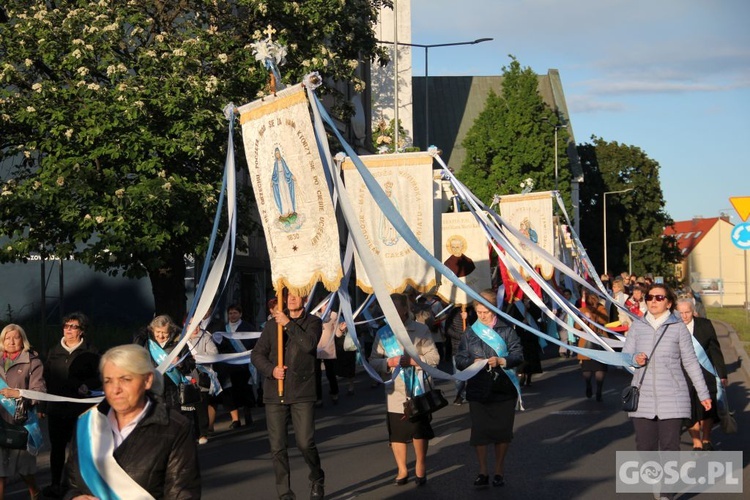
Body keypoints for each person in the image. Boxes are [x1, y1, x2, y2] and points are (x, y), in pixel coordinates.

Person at [64, 344, 201, 498]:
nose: (115, 389)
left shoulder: (174, 428)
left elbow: (182, 494)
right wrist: (74, 497)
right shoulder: (87, 423)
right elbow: (70, 485)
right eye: (108, 381)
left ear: (147, 380)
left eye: (125, 379)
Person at [623, 284, 711, 469]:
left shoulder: (678, 328)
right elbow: (626, 356)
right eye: (650, 297)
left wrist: (703, 393)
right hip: (643, 395)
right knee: (645, 447)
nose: (653, 301)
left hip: (673, 395)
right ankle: (655, 476)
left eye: (659, 298)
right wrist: (634, 359)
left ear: (669, 303)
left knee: (670, 446)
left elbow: (691, 362)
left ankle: (667, 492)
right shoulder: (637, 326)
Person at [251, 291, 325, 500]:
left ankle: (317, 478)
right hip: (275, 392)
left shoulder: (313, 322)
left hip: (302, 391)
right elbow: (257, 355)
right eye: (288, 295)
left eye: (296, 295)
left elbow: (308, 344)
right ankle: (285, 493)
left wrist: (288, 324)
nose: (291, 299)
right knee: (278, 447)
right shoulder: (270, 325)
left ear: (304, 299)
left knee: (305, 442)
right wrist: (271, 370)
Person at [368, 293, 440, 487]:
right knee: (398, 433)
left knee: (419, 430)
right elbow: (372, 362)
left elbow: (434, 358)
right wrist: (387, 362)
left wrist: (415, 361)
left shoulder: (420, 329)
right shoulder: (382, 333)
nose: (391, 313)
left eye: (395, 309)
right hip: (395, 390)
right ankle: (401, 469)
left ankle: (420, 464)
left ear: (404, 309)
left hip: (418, 388)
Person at [42, 312, 100, 499]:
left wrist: (87, 386)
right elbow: (46, 380)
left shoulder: (91, 352)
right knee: (57, 449)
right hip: (57, 410)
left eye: (73, 327)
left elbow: (99, 376)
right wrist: (43, 407)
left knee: (79, 449)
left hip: (80, 411)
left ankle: (77, 486)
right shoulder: (53, 352)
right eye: (66, 326)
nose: (68, 330)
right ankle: (55, 484)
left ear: (82, 331)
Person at [0, 324, 46, 499]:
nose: (11, 341)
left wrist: (19, 394)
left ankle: (35, 492)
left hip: (21, 423)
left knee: (25, 470)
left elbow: (40, 391)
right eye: (7, 337)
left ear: (23, 340)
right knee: (0, 472)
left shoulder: (32, 361)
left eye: (16, 337)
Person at [676, 298, 727, 451]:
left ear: (693, 312)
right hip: (683, 375)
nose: (684, 316)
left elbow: (715, 351)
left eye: (687, 312)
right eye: (681, 313)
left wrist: (722, 374)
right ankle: (696, 442)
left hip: (706, 372)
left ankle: (706, 438)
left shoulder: (705, 325)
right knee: (689, 408)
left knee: (708, 408)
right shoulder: (672, 327)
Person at [576, 290, 611, 401]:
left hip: (600, 341)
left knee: (600, 368)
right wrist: (584, 320)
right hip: (586, 342)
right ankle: (588, 385)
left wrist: (593, 315)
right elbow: (577, 327)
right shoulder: (582, 310)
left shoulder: (601, 309)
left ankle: (599, 389)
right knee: (587, 368)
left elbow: (604, 320)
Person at [444, 304, 477, 405]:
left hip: (471, 349)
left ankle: (469, 393)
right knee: (458, 375)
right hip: (457, 348)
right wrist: (460, 336)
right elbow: (448, 329)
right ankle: (459, 394)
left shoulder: (473, 312)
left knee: (472, 374)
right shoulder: (453, 313)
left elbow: (477, 328)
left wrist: (468, 319)